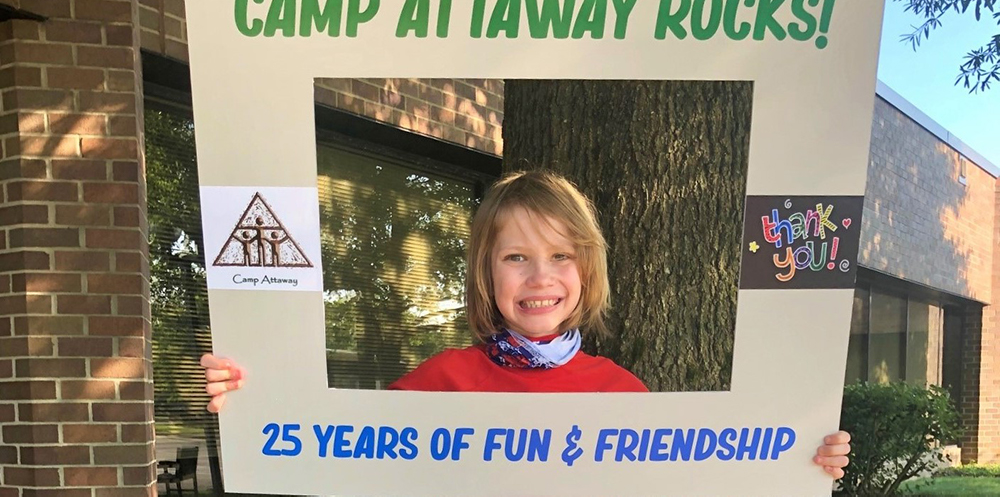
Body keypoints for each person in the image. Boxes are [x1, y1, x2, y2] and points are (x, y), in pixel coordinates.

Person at [201, 170, 851, 477]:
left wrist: (798, 458)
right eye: (516, 257)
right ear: (487, 274)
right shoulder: (438, 382)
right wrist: (253, 400)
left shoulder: (624, 397)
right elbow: (330, 452)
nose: (540, 277)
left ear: (586, 271)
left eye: (561, 256)